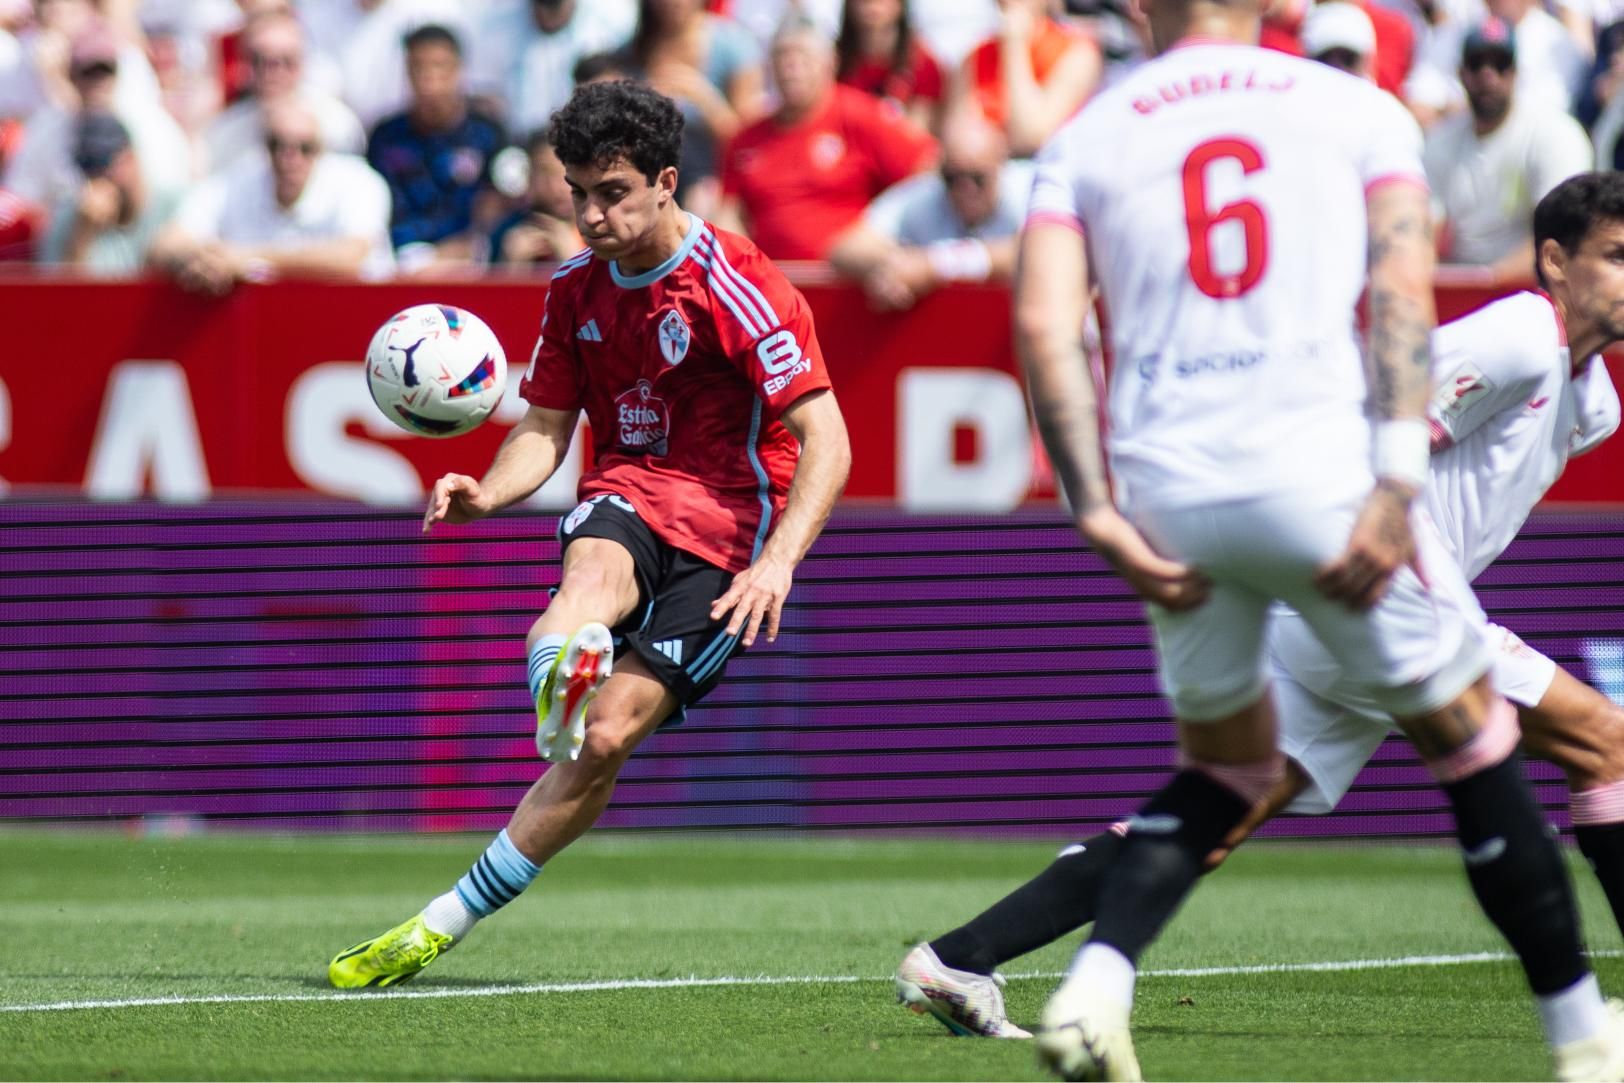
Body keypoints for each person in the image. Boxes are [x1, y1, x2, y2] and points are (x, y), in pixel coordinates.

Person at [992, 0, 1621, 1076]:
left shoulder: (1090, 127)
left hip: (1171, 480)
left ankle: (1084, 982)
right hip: (1318, 480)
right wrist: (1385, 485)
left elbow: (1047, 323)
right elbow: (1397, 294)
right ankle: (1581, 1035)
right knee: (1489, 753)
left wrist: (1093, 506)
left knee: (1221, 779)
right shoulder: (1351, 108)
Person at [326, 79, 851, 989]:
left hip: (730, 533)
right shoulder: (574, 287)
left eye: (611, 193)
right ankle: (557, 672)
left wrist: (779, 564)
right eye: (576, 192)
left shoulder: (741, 284)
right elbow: (545, 425)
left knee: (605, 740)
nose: (591, 214)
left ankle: (440, 920)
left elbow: (829, 438)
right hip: (631, 490)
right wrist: (489, 492)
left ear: (665, 182)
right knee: (591, 580)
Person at [717, 15, 936, 260]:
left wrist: (882, 232)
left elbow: (925, 171)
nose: (792, 67)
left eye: (803, 57)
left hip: (847, 280)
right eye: (783, 57)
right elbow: (730, 211)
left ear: (829, 63)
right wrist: (737, 262)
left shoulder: (861, 116)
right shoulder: (747, 139)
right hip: (771, 281)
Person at [151, 98, 393, 293]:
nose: (291, 157)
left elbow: (353, 256)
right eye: (278, 145)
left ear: (320, 150)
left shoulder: (358, 181)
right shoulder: (237, 179)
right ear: (265, 147)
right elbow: (166, 245)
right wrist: (199, 261)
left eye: (304, 147)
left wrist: (244, 259)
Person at [1424, 18, 1593, 287]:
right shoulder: (1441, 140)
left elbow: (1559, 237)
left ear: (1515, 73)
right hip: (1462, 283)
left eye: (1500, 65)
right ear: (1461, 73)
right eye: (1477, 64)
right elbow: (1426, 230)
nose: (1487, 76)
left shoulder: (1554, 134)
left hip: (1535, 290)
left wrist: (1487, 280)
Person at [828, 110, 1032, 310]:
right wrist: (895, 267)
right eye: (953, 178)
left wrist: (934, 265)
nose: (965, 189)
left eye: (978, 178)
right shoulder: (926, 193)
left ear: (1002, 165)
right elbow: (846, 248)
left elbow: (1032, 252)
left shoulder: (1031, 189)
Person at [366, 24, 506, 271]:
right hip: (398, 263)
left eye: (439, 66)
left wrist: (468, 246)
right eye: (418, 67)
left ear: (458, 69)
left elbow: (501, 203)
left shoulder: (488, 134)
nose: (428, 78)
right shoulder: (385, 136)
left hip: (470, 265)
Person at [613, 0, 765, 219]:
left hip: (713, 174)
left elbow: (751, 140)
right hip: (650, 170)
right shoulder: (633, 48)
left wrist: (701, 97)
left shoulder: (733, 44)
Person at [201, 10, 364, 173]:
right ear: (244, 63)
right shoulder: (226, 133)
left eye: (286, 62)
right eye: (260, 60)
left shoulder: (338, 126)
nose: (273, 72)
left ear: (302, 64)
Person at [950, 0, 1101, 157]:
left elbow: (1029, 140)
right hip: (984, 173)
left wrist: (1014, 45)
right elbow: (958, 145)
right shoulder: (974, 57)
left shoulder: (1077, 53)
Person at [41, 109, 180, 272]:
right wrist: (82, 234)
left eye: (104, 164)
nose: (97, 176)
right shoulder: (68, 217)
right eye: (88, 167)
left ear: (131, 158)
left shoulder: (175, 205)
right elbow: (61, 295)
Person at [835, 0, 947, 131]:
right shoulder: (834, 60)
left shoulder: (922, 63)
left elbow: (917, 135)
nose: (872, 5)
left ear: (900, 4)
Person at [486, 126, 582, 265]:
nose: (555, 188)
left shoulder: (601, 232)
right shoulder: (505, 233)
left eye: (565, 173)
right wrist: (512, 266)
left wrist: (573, 259)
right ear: (529, 176)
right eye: (545, 174)